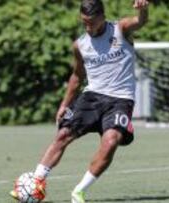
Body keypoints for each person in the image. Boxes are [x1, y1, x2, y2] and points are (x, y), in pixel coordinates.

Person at [11, 0, 149, 202]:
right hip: (92, 97)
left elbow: (141, 21)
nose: (88, 27)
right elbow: (77, 76)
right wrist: (64, 105)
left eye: (91, 22)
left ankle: (79, 191)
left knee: (111, 141)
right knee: (63, 134)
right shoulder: (80, 45)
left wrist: (144, 9)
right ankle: (36, 181)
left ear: (102, 17)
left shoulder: (120, 29)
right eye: (84, 22)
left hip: (120, 100)